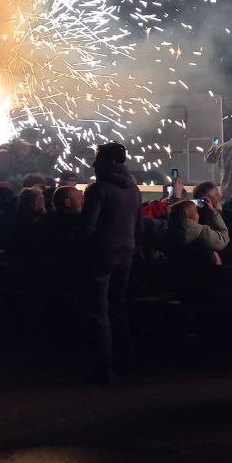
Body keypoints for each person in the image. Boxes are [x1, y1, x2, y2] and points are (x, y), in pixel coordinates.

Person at [75, 142, 142, 383]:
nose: (94, 164)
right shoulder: (134, 189)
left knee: (97, 311)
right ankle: (125, 360)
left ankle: (102, 367)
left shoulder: (98, 189)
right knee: (118, 307)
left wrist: (80, 247)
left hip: (101, 255)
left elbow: (87, 227)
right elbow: (138, 226)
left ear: (110, 162)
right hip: (126, 252)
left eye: (98, 159)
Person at [13, 186, 82, 266]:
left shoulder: (39, 224)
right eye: (79, 198)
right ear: (67, 202)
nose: (83, 201)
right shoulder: (77, 225)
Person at [164, 199, 228, 265]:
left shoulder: (166, 233)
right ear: (192, 216)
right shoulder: (203, 233)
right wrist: (213, 212)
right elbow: (224, 238)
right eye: (196, 212)